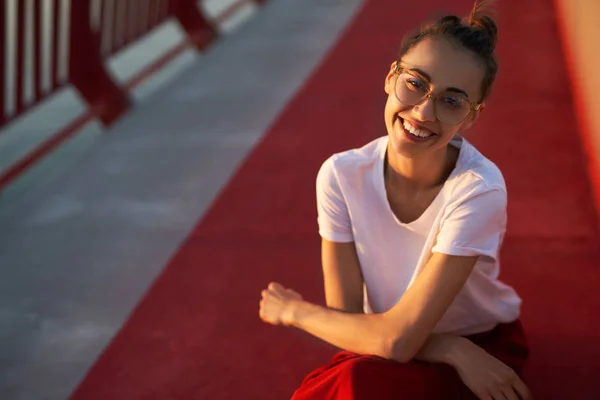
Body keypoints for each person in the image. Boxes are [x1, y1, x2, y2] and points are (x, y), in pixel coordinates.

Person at [259, 1, 532, 399]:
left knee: (354, 385)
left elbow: (397, 340)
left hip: (479, 346)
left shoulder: (477, 190)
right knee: (353, 381)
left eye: (452, 101)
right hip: (393, 342)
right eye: (416, 83)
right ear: (392, 77)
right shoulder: (341, 175)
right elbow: (349, 321)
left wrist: (293, 311)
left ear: (472, 116)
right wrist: (448, 349)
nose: (423, 111)